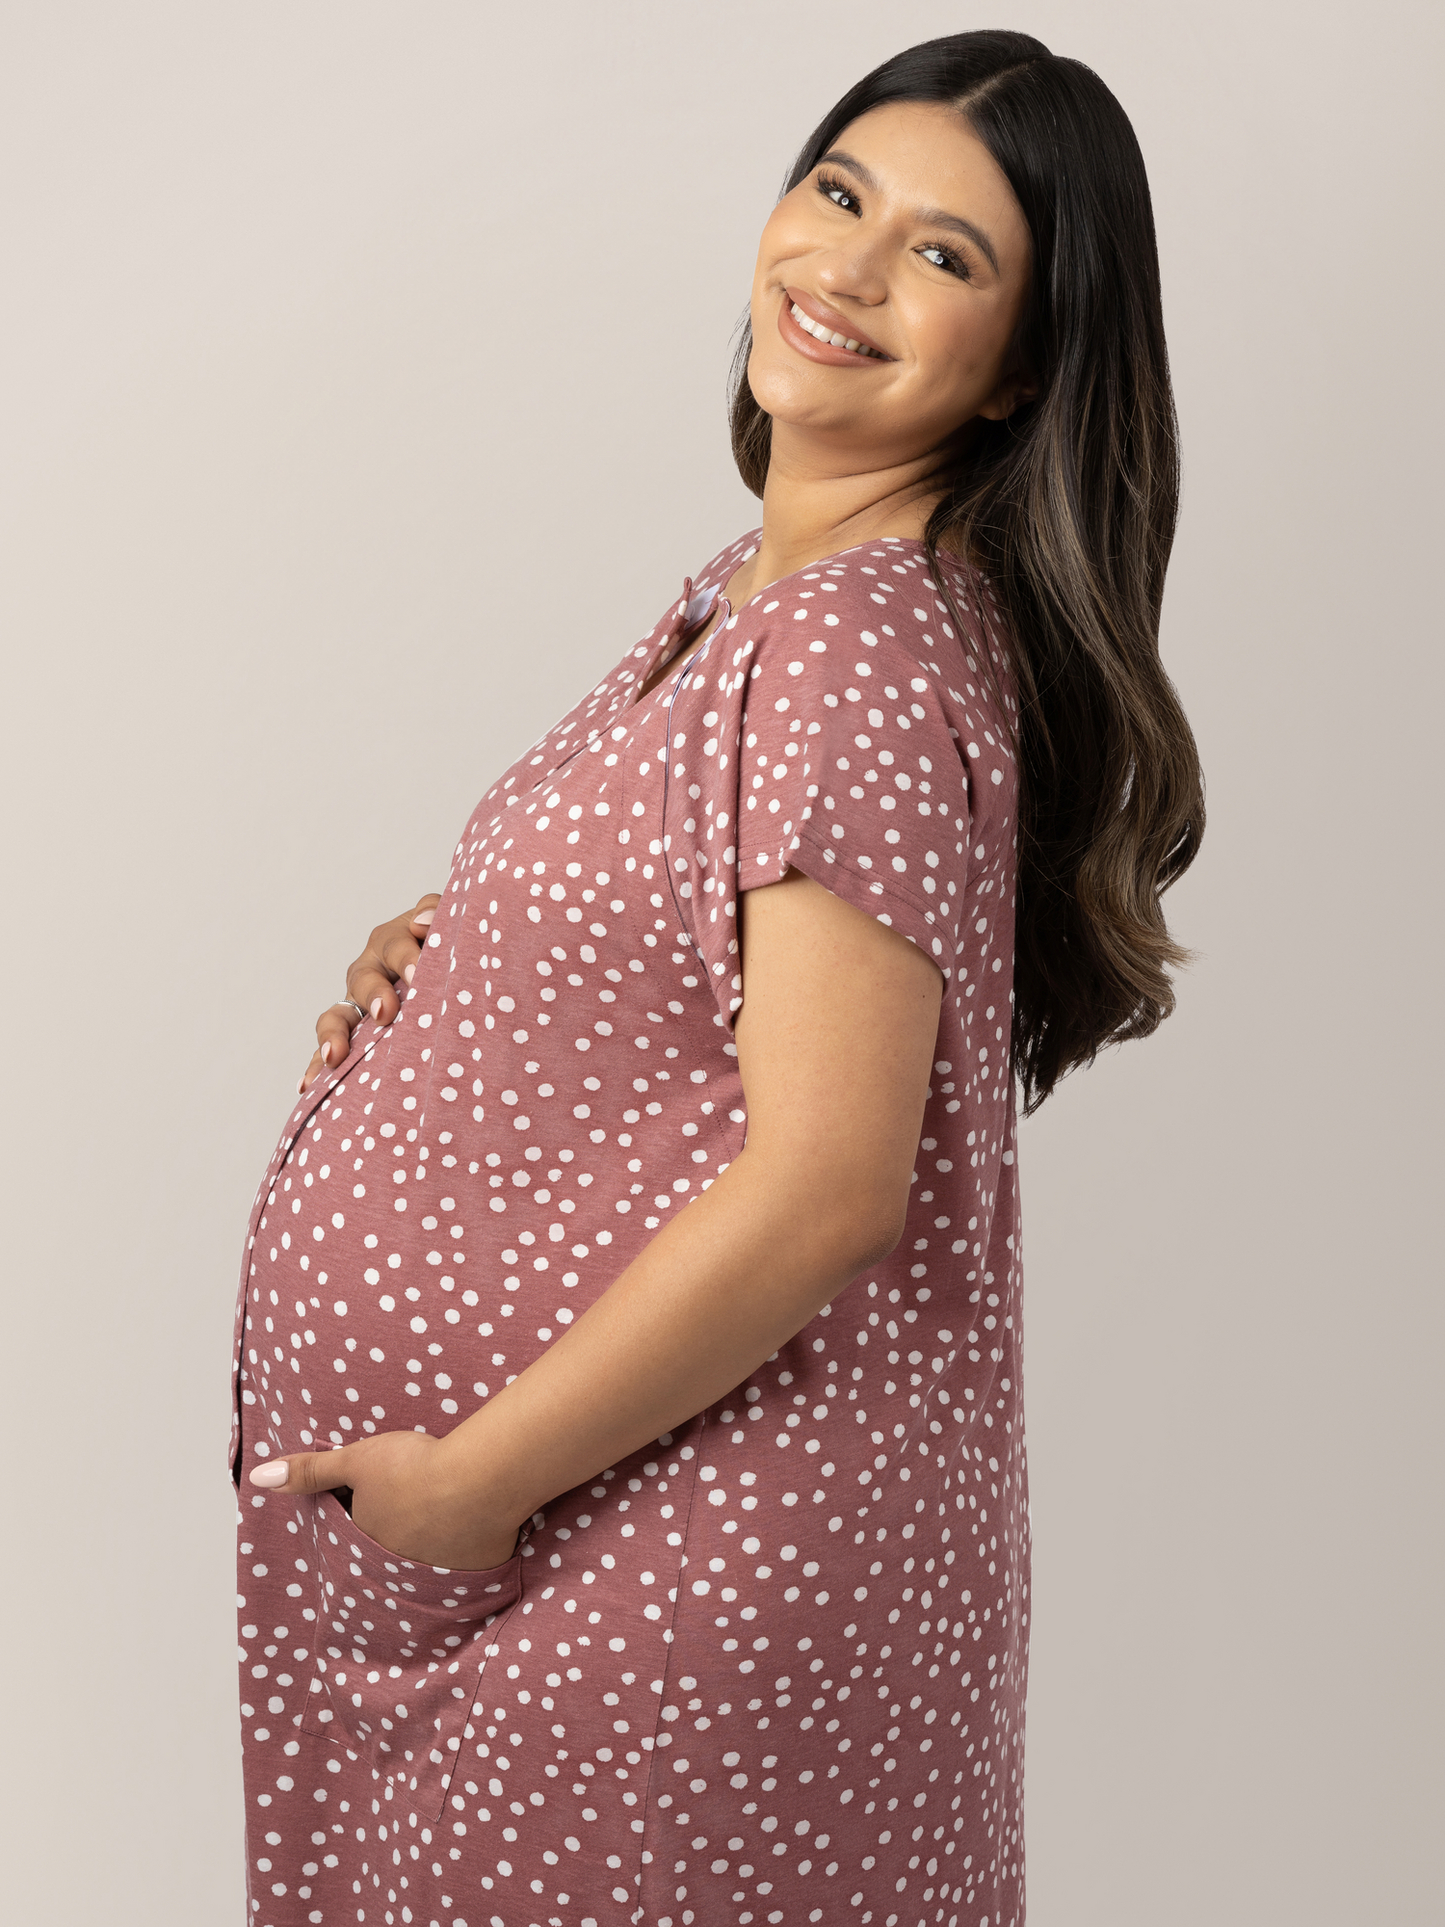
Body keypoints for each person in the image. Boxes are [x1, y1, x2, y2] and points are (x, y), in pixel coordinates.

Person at [230, 30, 1203, 1927]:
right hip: (585, 1585)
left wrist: (475, 1485)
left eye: (944, 254)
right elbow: (699, 981)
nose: (844, 267)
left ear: (1019, 377)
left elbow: (830, 1183)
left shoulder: (851, 645)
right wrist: (457, 970)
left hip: (640, 1585)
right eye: (840, 192)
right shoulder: (746, 604)